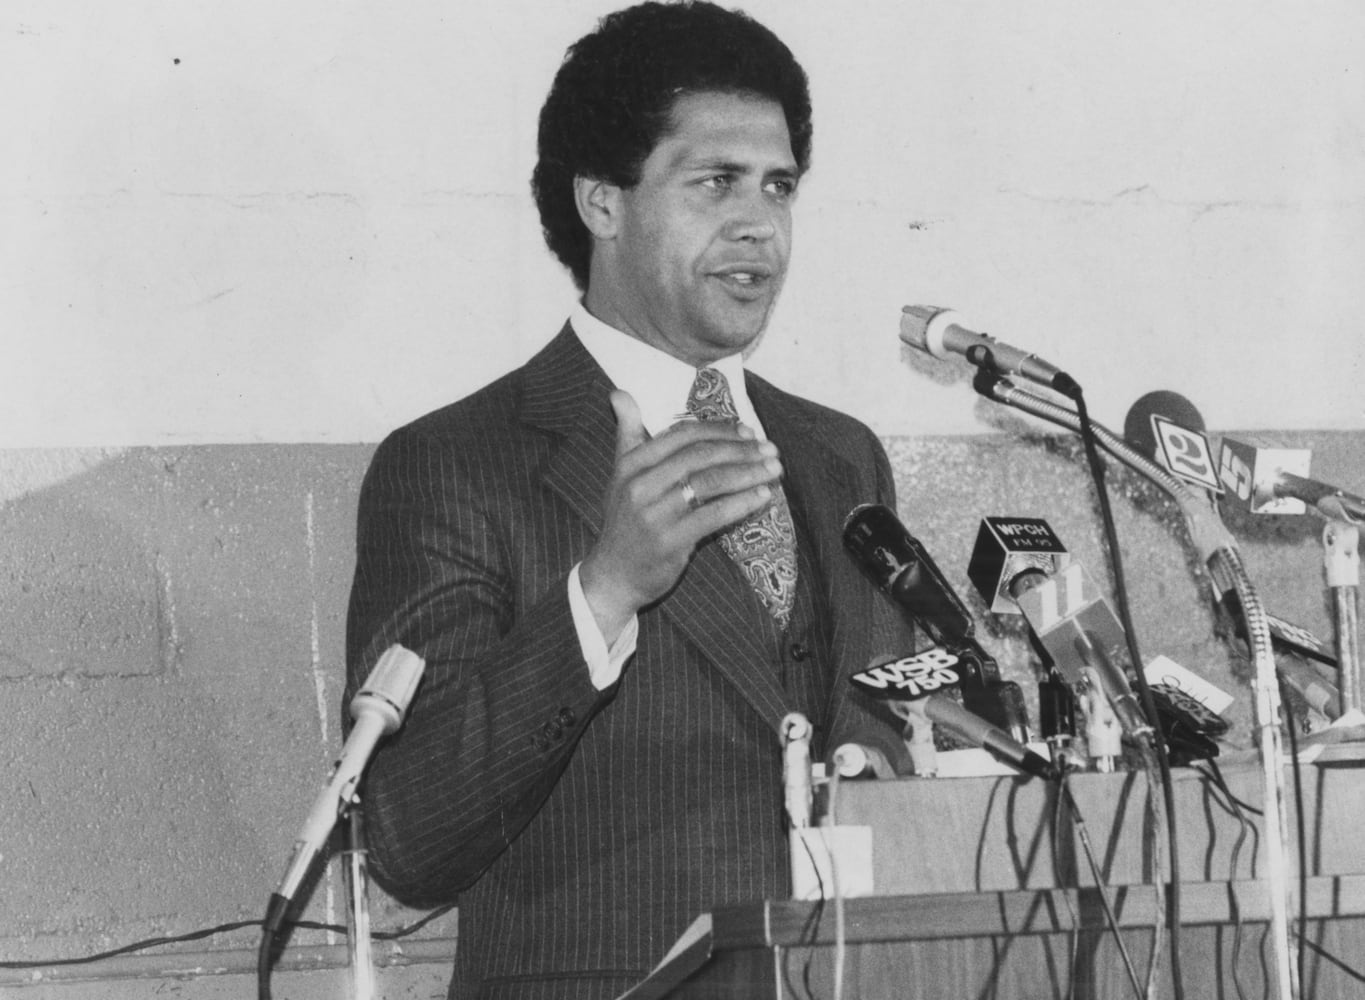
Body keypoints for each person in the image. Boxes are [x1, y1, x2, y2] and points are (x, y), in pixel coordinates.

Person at [344, 3, 915, 997]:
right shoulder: (454, 464)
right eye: (715, 182)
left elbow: (880, 734)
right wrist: (603, 590)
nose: (759, 224)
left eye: (779, 186)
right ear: (602, 203)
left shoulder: (840, 457)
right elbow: (405, 838)